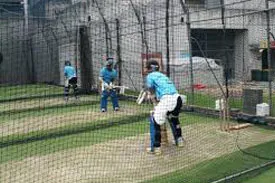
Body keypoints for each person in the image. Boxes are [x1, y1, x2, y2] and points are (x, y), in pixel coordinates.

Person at [145, 59, 184, 155]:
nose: (147, 70)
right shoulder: (163, 75)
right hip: (178, 99)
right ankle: (179, 141)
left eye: (147, 68)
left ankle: (156, 147)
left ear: (150, 68)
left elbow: (150, 88)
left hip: (167, 99)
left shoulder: (150, 76)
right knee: (173, 118)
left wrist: (152, 98)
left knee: (154, 120)